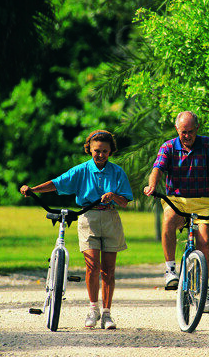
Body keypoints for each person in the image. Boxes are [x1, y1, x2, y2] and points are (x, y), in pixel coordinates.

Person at [20, 130, 133, 330]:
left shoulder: (117, 172)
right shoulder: (81, 170)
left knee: (109, 270)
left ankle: (107, 313)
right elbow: (57, 184)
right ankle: (93, 309)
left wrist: (113, 196)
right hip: (87, 217)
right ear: (89, 149)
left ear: (110, 152)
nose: (100, 155)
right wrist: (33, 190)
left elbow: (124, 201)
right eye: (97, 150)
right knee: (92, 266)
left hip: (110, 218)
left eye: (105, 151)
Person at [143, 111, 209, 314]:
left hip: (203, 202)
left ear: (197, 130)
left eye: (191, 132)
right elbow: (157, 168)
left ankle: (205, 288)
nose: (187, 136)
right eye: (183, 132)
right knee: (168, 218)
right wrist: (151, 186)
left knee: (204, 242)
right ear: (177, 130)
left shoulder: (207, 145)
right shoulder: (168, 147)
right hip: (177, 200)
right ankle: (170, 270)